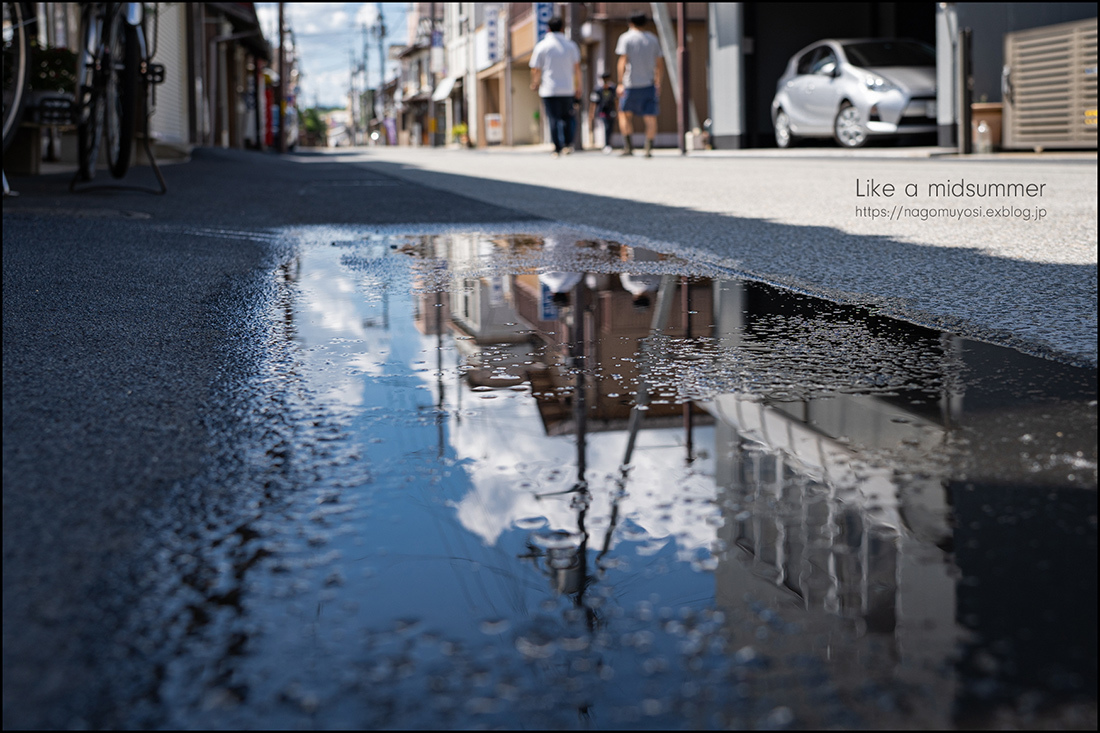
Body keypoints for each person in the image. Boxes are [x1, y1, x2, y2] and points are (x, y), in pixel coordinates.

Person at [529, 16, 581, 158]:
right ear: (563, 28)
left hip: (549, 89)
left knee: (553, 118)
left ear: (548, 29)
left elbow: (536, 68)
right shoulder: (571, 45)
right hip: (568, 89)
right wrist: (578, 87)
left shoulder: (542, 46)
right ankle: (568, 144)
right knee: (567, 117)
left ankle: (557, 148)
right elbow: (577, 68)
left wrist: (535, 82)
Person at [615, 13, 663, 157]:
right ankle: (648, 148)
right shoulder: (653, 39)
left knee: (624, 115)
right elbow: (659, 64)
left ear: (630, 23)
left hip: (630, 84)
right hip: (648, 84)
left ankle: (628, 147)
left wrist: (619, 83)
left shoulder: (626, 38)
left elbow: (622, 61)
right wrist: (658, 82)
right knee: (650, 117)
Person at [588, 72, 617, 153]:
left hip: (611, 110)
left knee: (610, 127)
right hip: (602, 111)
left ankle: (608, 143)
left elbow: (616, 100)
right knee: (606, 126)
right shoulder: (598, 89)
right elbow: (593, 102)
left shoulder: (613, 88)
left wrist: (618, 111)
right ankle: (606, 144)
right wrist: (591, 113)